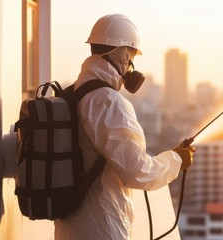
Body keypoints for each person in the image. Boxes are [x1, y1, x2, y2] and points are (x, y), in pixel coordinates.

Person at [54, 14, 195, 240]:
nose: (130, 65)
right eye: (130, 56)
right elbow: (136, 170)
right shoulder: (107, 101)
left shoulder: (75, 92)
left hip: (71, 228)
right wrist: (175, 161)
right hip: (101, 228)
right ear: (121, 52)